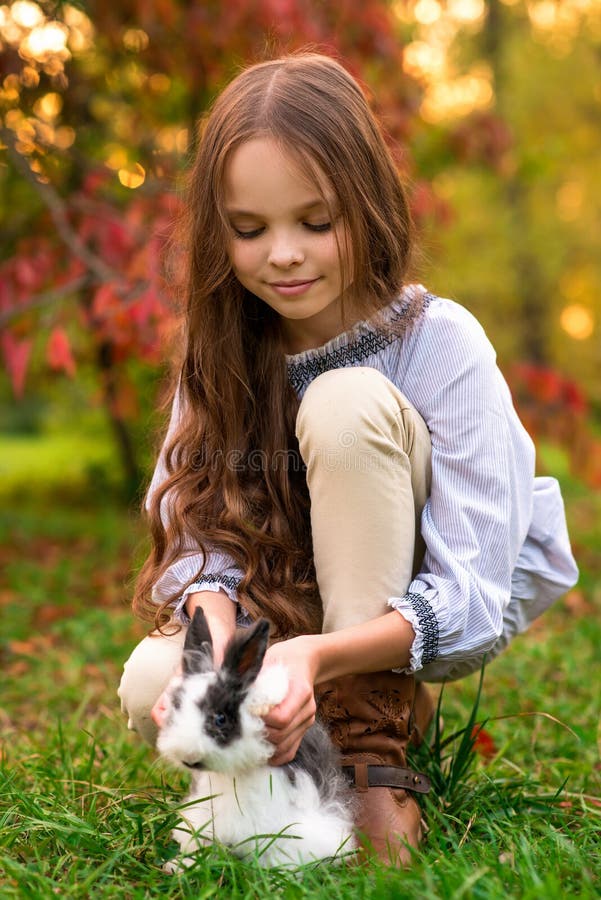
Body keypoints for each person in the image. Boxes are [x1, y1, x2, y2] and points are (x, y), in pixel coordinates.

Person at [118, 52, 578, 866]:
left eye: (316, 221)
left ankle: (370, 737)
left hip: (419, 582)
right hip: (289, 592)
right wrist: (217, 642)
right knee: (151, 688)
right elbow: (198, 547)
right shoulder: (220, 350)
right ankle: (307, 730)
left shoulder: (439, 343)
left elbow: (470, 591)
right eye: (249, 229)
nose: (283, 255)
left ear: (364, 205)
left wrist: (318, 656)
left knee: (342, 399)